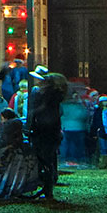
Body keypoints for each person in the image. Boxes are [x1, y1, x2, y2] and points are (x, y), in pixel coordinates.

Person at [0, 110, 42, 202]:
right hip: (13, 155)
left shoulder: (7, 130)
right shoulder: (16, 130)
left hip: (5, 158)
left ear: (5, 118)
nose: (1, 121)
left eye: (1, 119)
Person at [26, 71, 64, 200]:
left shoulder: (45, 95)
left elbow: (38, 110)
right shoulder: (57, 95)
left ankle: (46, 187)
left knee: (44, 159)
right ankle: (47, 186)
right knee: (49, 159)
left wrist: (30, 123)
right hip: (52, 130)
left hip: (43, 130)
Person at [60, 89, 90, 167]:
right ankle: (77, 160)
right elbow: (84, 115)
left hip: (66, 127)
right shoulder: (80, 106)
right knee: (77, 145)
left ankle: (66, 160)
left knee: (66, 145)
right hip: (78, 127)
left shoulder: (63, 105)